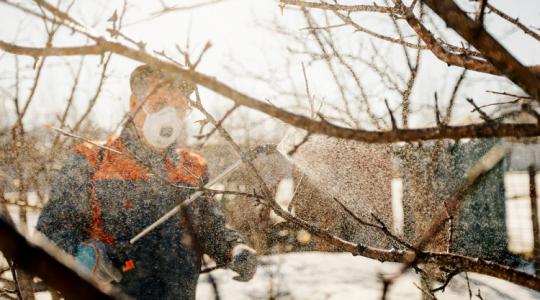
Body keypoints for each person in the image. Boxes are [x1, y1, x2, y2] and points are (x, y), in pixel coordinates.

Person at [36, 64, 257, 299]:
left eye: (179, 108)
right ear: (134, 104)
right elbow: (49, 232)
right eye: (158, 105)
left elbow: (209, 227)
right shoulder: (90, 160)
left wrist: (234, 248)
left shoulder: (192, 167)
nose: (169, 116)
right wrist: (80, 256)